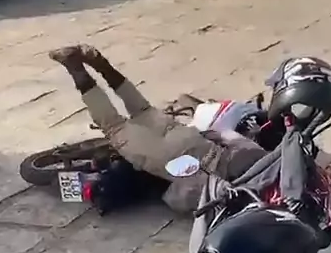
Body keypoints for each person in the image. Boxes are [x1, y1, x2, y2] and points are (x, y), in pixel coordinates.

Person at [49, 44, 267, 214]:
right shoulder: (221, 192)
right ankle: (75, 67)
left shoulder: (253, 157)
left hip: (187, 137)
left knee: (142, 108)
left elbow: (226, 136)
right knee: (113, 126)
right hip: (165, 157)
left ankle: (99, 61)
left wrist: (205, 139)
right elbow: (175, 199)